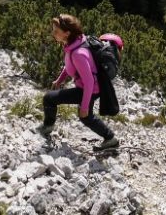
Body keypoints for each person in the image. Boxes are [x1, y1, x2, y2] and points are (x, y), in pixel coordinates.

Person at [36, 14, 119, 151]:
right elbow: (69, 65)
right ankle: (110, 139)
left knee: (50, 99)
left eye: (56, 31)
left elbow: (89, 82)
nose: (53, 33)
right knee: (85, 117)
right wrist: (60, 79)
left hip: (90, 89)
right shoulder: (75, 43)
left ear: (67, 33)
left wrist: (84, 107)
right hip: (89, 87)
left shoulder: (78, 53)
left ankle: (47, 127)